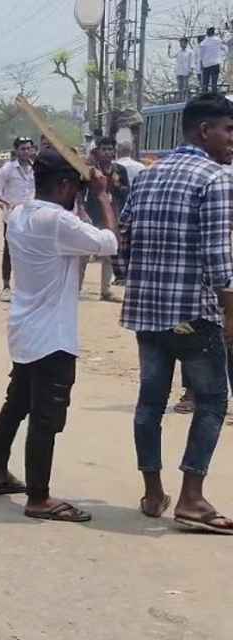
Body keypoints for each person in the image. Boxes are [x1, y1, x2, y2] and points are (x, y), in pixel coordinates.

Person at [0, 148, 119, 523]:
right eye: (75, 187)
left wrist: (83, 191)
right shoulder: (57, 221)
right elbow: (110, 242)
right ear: (62, 186)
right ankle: (38, 498)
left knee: (16, 404)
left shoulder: (21, 212)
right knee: (45, 418)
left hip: (25, 329)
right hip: (53, 337)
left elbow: (78, 228)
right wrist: (103, 195)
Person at [116, 93, 233, 533]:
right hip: (194, 315)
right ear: (205, 130)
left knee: (150, 402)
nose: (232, 140)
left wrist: (137, 281)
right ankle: (192, 498)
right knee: (212, 401)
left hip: (148, 313)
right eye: (229, 130)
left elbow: (124, 239)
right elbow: (220, 259)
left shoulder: (147, 176)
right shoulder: (214, 178)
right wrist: (231, 315)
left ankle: (152, 493)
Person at [78, 137, 129, 302]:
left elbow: (126, 193)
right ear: (97, 151)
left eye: (110, 149)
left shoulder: (120, 170)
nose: (107, 152)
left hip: (111, 215)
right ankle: (76, 288)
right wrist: (81, 211)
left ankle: (106, 290)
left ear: (114, 152)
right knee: (84, 253)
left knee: (109, 252)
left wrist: (117, 185)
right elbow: (79, 191)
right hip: (92, 213)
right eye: (104, 149)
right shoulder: (90, 170)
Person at [0, 137, 37, 302]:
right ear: (16, 151)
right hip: (12, 217)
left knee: (29, 252)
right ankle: (6, 287)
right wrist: (6, 202)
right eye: (23, 149)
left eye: (28, 149)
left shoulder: (36, 169)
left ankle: (26, 288)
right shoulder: (8, 169)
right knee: (9, 251)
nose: (26, 152)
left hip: (31, 217)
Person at [199, 27, 228, 93]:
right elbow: (225, 48)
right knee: (214, 82)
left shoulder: (203, 42)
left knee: (205, 83)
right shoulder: (218, 40)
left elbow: (201, 55)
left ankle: (205, 95)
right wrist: (223, 56)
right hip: (215, 63)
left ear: (207, 33)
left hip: (206, 64)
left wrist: (201, 64)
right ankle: (214, 95)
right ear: (213, 32)